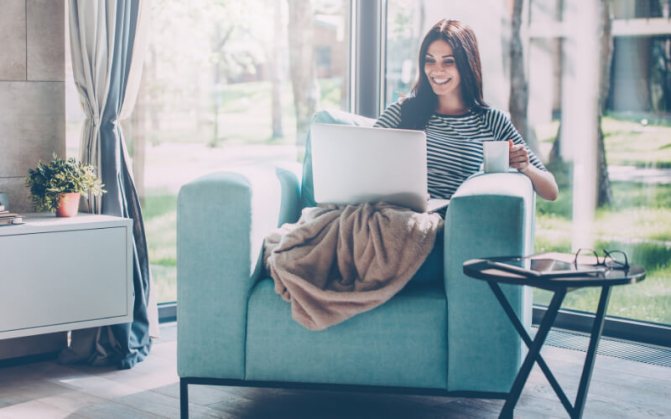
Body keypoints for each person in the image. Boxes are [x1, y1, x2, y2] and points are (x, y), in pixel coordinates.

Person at [375, 19, 558, 202]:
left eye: (448, 62)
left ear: (466, 65)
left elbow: (551, 191)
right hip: (396, 210)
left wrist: (525, 166)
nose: (437, 70)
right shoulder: (402, 111)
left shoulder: (492, 120)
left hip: (451, 221)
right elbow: (362, 157)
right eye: (430, 60)